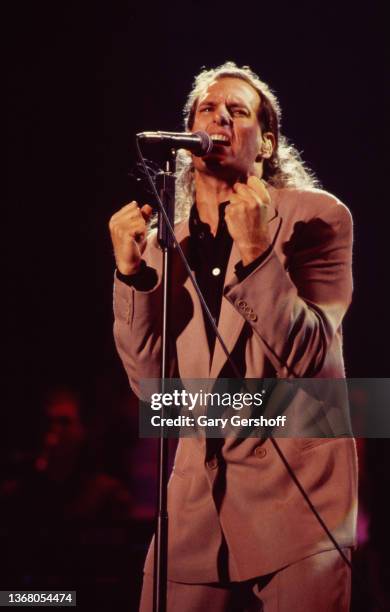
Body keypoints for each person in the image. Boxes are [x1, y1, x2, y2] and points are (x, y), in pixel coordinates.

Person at [109, 62, 357, 611]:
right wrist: (132, 278)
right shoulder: (164, 247)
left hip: (297, 501)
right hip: (196, 505)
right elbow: (154, 390)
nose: (218, 116)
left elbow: (309, 353)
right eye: (207, 109)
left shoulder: (315, 219)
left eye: (237, 111)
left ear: (266, 145)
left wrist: (257, 254)